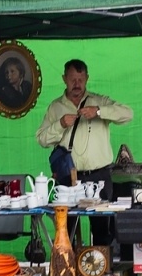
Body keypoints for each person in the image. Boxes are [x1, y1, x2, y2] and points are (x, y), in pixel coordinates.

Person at [37, 59, 133, 248]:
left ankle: (100, 273)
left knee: (102, 231)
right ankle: (68, 273)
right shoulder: (56, 107)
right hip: (67, 178)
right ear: (64, 79)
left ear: (87, 78)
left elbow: (128, 114)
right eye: (72, 79)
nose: (77, 84)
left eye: (81, 79)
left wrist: (99, 112)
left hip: (99, 175)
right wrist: (60, 124)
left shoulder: (99, 101)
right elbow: (41, 139)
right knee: (65, 231)